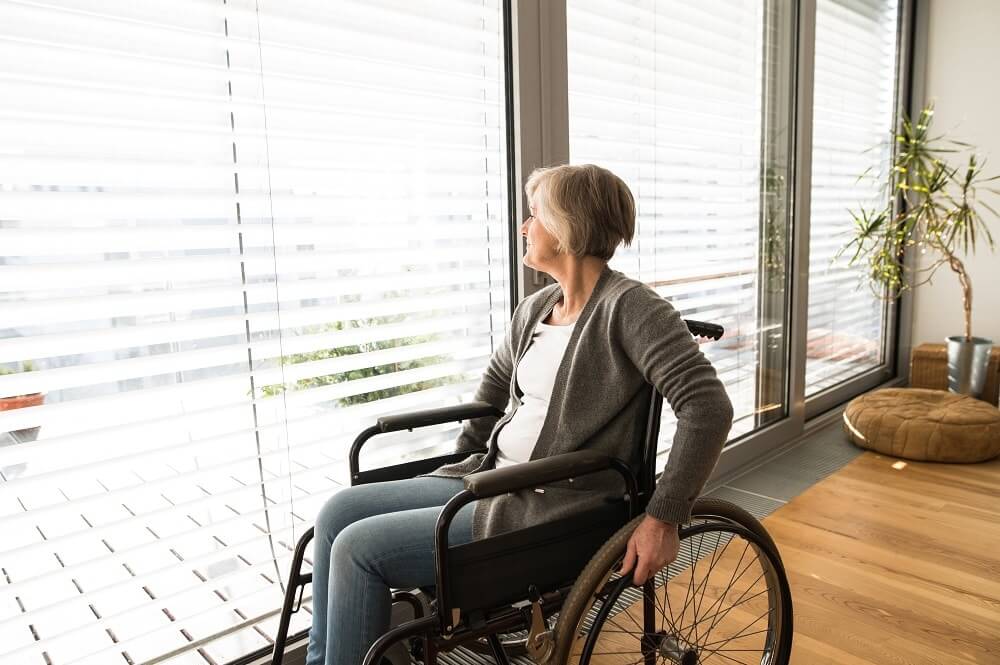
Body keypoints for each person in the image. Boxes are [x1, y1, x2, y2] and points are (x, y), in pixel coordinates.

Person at [305, 164, 734, 665]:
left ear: (569, 226)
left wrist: (663, 517)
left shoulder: (632, 309)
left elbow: (708, 408)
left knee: (359, 550)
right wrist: (462, 472)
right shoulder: (536, 307)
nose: (525, 227)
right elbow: (490, 399)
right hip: (491, 482)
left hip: (550, 505)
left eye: (535, 214)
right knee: (336, 513)